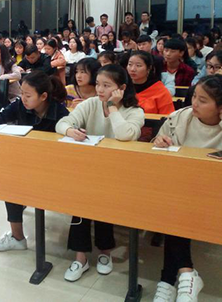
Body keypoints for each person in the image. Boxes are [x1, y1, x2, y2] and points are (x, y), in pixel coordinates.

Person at [56, 64, 144, 282]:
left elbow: (125, 134)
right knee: (81, 202)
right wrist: (70, 130)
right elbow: (62, 123)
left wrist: (112, 107)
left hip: (119, 173)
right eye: (98, 84)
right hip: (89, 170)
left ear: (122, 88)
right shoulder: (91, 104)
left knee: (103, 202)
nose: (100, 90)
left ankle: (105, 252)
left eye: (107, 85)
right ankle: (81, 257)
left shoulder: (134, 111)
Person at [151, 75, 222, 302]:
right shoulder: (181, 117)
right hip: (180, 186)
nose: (194, 103)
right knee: (176, 209)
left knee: (176, 211)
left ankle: (169, 280)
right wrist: (159, 142)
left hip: (216, 192)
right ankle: (184, 274)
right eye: (194, 96)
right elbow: (156, 147)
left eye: (203, 100)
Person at [0, 72, 69, 252]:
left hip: (52, 169)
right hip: (25, 164)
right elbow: (1, 114)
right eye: (22, 93)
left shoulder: (60, 113)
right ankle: (17, 237)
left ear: (43, 96)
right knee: (11, 184)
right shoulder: (20, 104)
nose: (23, 98)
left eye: (28, 95)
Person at [127, 51, 174, 140]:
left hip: (152, 138)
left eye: (138, 65)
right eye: (130, 64)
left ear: (149, 68)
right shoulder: (123, 87)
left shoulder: (160, 91)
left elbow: (168, 120)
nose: (132, 69)